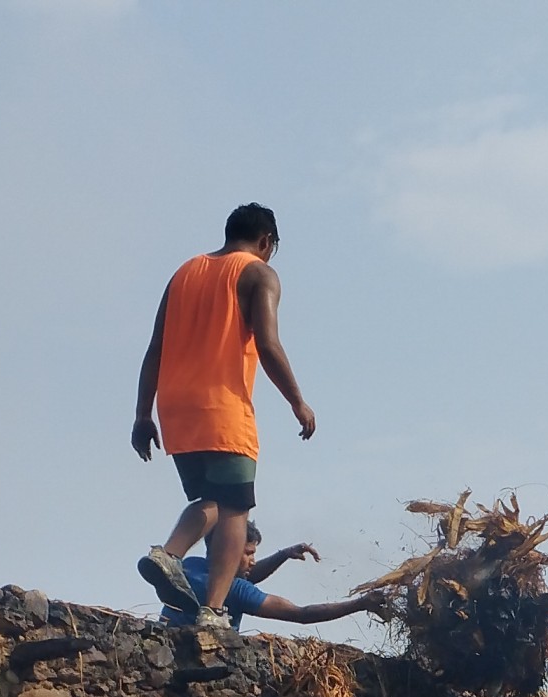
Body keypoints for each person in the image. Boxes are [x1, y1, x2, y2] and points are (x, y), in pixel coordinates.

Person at [132, 203, 316, 634]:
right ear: (266, 242)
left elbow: (155, 347)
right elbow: (268, 344)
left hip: (175, 406)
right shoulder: (258, 273)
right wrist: (297, 401)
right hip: (223, 405)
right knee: (236, 508)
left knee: (211, 502)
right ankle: (212, 609)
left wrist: (143, 414)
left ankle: (168, 554)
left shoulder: (184, 273)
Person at [155, 529, 382, 633]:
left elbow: (243, 575)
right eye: (248, 553)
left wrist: (282, 555)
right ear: (227, 550)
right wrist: (360, 604)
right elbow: (301, 614)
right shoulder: (235, 590)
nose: (253, 561)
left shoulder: (190, 566)